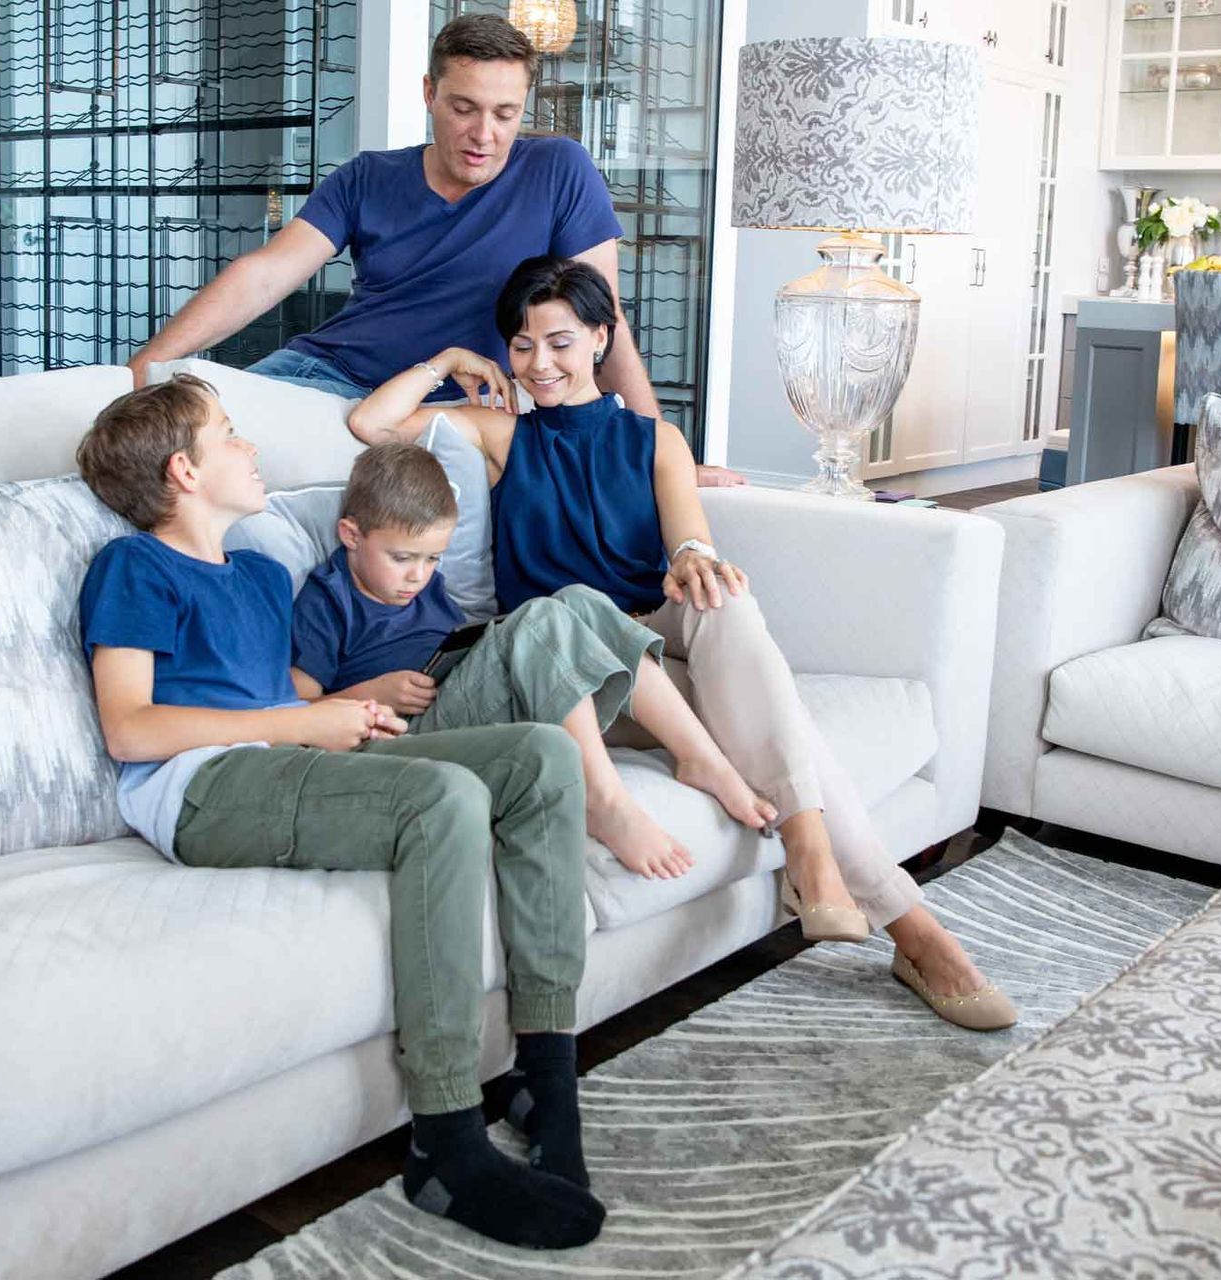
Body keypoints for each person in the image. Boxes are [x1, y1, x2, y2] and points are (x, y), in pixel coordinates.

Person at [345, 259, 1022, 1033]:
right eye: (521, 347)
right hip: (574, 672)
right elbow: (373, 426)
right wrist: (447, 364)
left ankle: (810, 851)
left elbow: (686, 537)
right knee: (757, 709)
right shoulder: (502, 436)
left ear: (602, 338)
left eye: (561, 343)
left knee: (722, 597)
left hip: (657, 649)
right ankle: (917, 932)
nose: (540, 366)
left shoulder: (657, 441)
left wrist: (695, 555)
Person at [74, 373, 605, 1249]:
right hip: (201, 789)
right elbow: (129, 728)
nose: (252, 448)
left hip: (287, 763)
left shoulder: (255, 572)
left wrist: (337, 715)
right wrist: (296, 724)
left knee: (540, 754)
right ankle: (445, 1137)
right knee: (441, 796)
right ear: (183, 472)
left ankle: (549, 1074)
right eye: (231, 435)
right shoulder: (132, 566)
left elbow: (301, 691)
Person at [125, 12, 744, 486]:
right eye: (464, 108)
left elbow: (601, 322)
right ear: (429, 94)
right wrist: (144, 370)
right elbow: (263, 275)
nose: (484, 135)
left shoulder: (559, 169)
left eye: (505, 113)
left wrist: (663, 455)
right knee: (166, 439)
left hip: (443, 405)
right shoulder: (367, 177)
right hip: (321, 372)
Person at [288, 439, 775, 879]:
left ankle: (700, 759)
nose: (418, 576)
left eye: (432, 559)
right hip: (408, 734)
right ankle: (604, 802)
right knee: (541, 617)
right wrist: (371, 694)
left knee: (579, 599)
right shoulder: (327, 601)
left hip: (463, 699)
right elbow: (297, 711)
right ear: (351, 535)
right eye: (402, 558)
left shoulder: (424, 587)